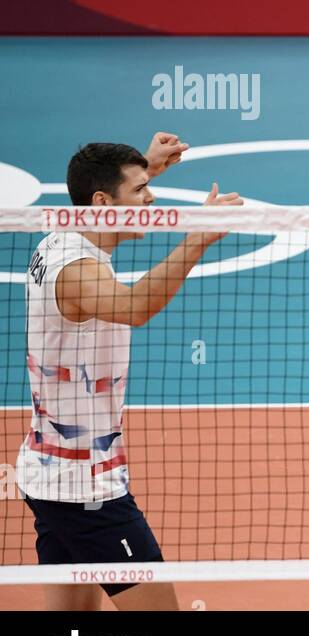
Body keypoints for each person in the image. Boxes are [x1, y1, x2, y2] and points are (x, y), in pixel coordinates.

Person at [19, 134, 242, 610]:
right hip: (87, 492)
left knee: (73, 625)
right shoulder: (76, 270)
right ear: (101, 203)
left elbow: (110, 200)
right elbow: (136, 306)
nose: (152, 199)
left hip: (48, 474)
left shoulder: (64, 233)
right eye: (140, 190)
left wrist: (149, 165)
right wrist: (199, 237)